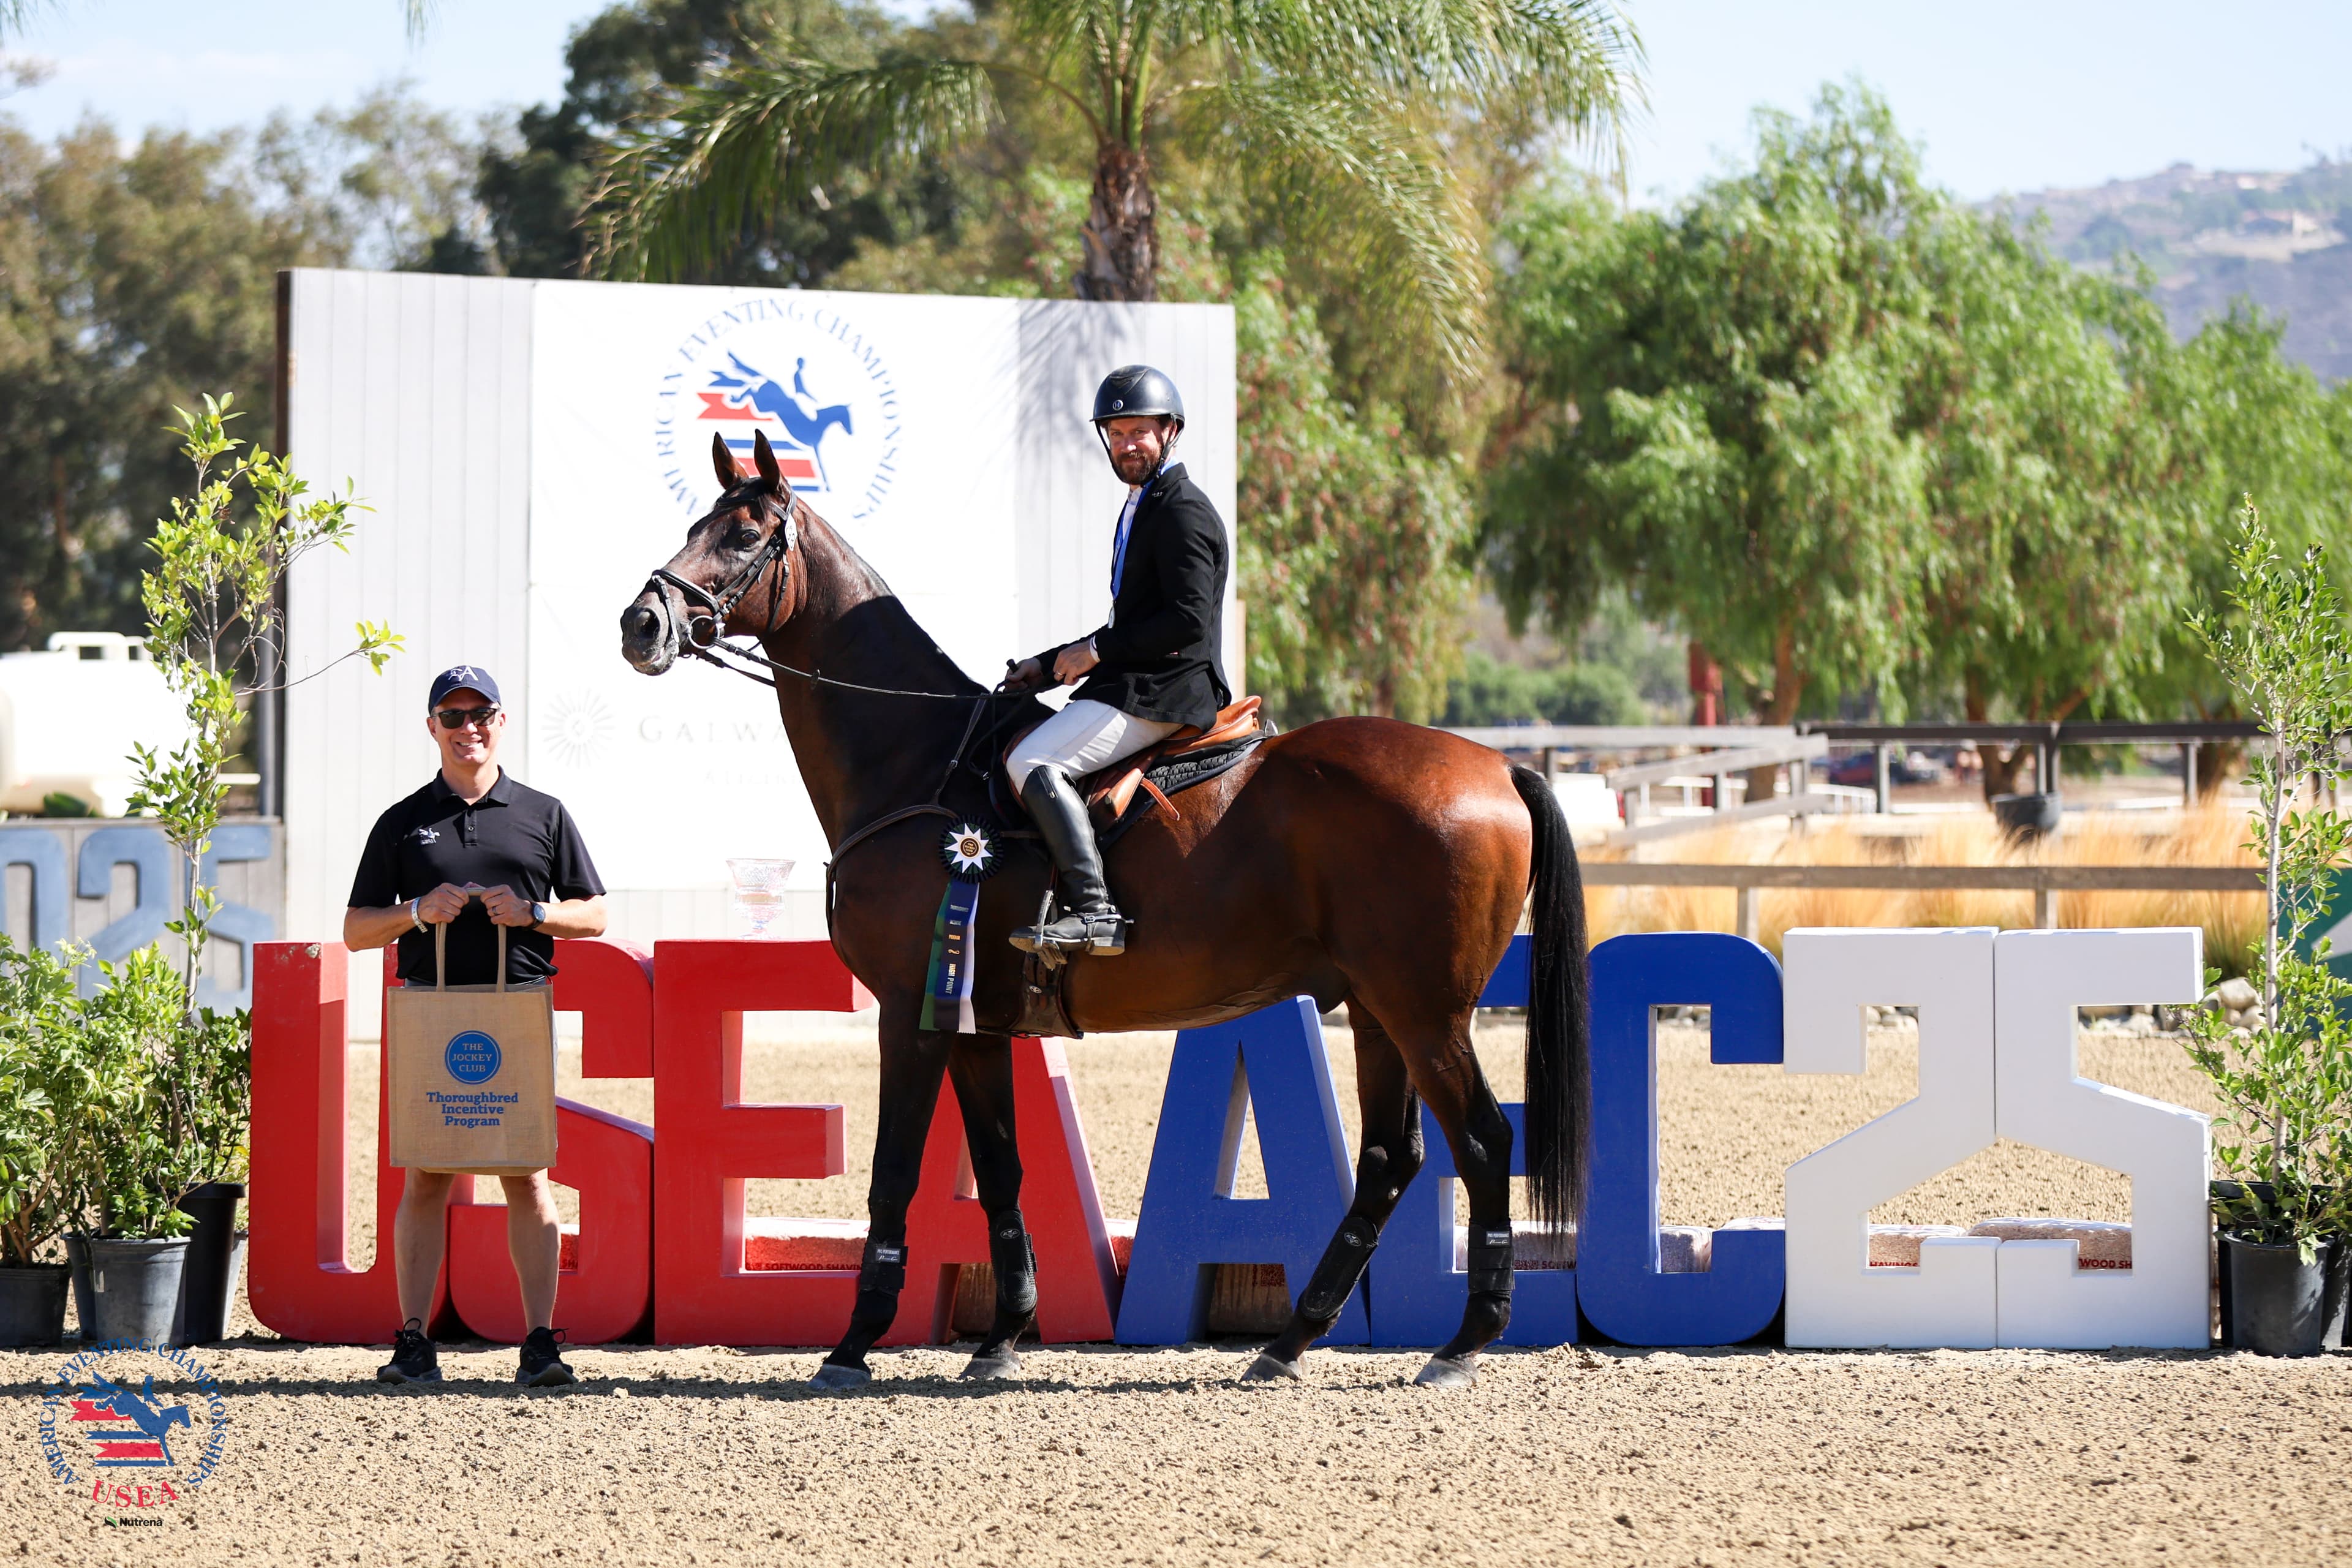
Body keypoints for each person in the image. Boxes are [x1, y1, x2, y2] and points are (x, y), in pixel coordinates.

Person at [343, 665, 610, 1387]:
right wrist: (414, 910)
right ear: (431, 727)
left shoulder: (543, 813)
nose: (470, 728)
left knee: (525, 1175)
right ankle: (412, 1342)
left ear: (502, 720)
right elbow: (355, 930)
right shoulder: (401, 821)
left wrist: (537, 913)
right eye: (453, 716)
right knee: (427, 1177)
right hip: (431, 1008)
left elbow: (596, 912)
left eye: (482, 713)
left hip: (517, 1008)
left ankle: (540, 1345)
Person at [1001, 365, 1231, 957]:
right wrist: (1050, 662)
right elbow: (1132, 624)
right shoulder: (1144, 505)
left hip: (1169, 691)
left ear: (1170, 432)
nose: (1128, 444)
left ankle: (1097, 911)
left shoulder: (1182, 510)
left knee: (1033, 760)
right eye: (1118, 432)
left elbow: (1187, 621)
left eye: (1140, 432)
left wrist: (1096, 651)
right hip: (1139, 680)